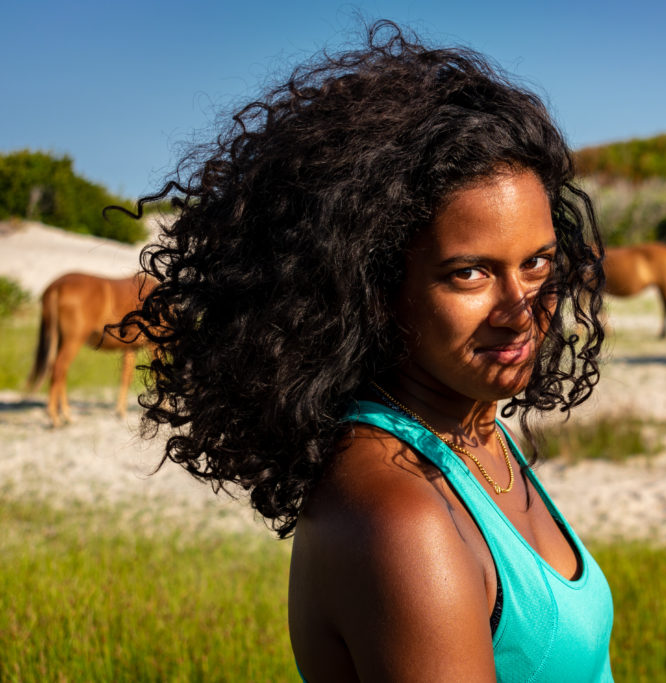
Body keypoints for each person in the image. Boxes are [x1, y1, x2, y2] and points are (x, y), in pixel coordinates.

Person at [116, 21, 613, 682]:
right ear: (372, 285)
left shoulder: (473, 427)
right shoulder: (399, 515)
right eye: (469, 272)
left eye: (538, 262)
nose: (521, 308)